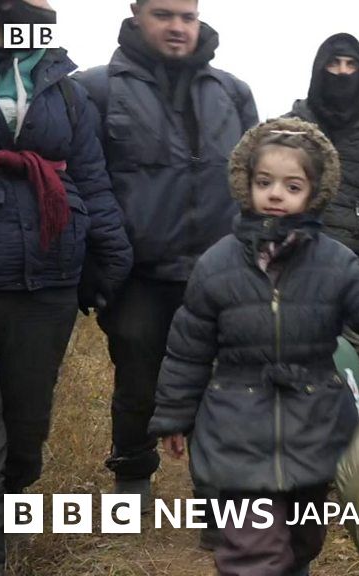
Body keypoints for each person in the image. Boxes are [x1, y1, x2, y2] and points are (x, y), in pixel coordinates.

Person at [147, 117, 359, 576]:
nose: (276, 194)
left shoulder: (334, 262)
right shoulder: (216, 266)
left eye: (291, 185)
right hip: (237, 427)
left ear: (312, 194)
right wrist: (175, 414)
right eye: (265, 182)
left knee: (300, 543)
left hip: (313, 427)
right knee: (254, 553)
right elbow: (188, 347)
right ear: (246, 185)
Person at [72, 0, 258, 529]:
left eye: (187, 15)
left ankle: (216, 498)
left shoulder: (233, 91)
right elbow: (86, 181)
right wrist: (100, 266)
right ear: (136, 14)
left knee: (222, 383)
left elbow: (255, 181)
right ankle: (131, 480)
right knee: (139, 380)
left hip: (219, 272)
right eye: (163, 14)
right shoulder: (97, 88)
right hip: (138, 275)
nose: (178, 27)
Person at [0, 1, 133, 573]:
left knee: (24, 435)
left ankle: (2, 517)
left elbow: (92, 176)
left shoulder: (62, 85)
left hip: (45, 280)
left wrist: (110, 260)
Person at [287, 33, 359, 398]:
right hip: (298, 263)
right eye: (334, 64)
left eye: (351, 65)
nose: (342, 72)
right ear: (319, 68)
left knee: (358, 358)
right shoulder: (293, 125)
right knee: (294, 356)